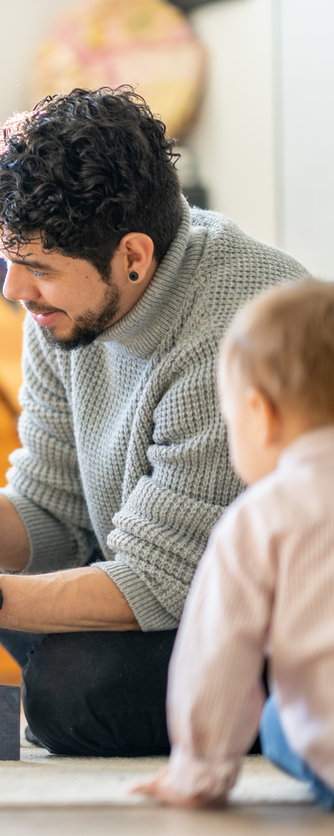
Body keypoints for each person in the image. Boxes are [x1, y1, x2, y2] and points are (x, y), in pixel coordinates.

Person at [0, 87, 310, 757]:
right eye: (8, 260)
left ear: (133, 257)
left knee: (71, 692)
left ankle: (272, 716)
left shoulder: (233, 333)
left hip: (273, 621)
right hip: (168, 582)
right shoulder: (64, 310)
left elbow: (158, 581)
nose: (13, 292)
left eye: (38, 269)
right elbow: (53, 514)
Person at [133, 280, 334, 808]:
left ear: (260, 415)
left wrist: (199, 768)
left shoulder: (263, 515)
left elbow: (216, 652)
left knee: (278, 718)